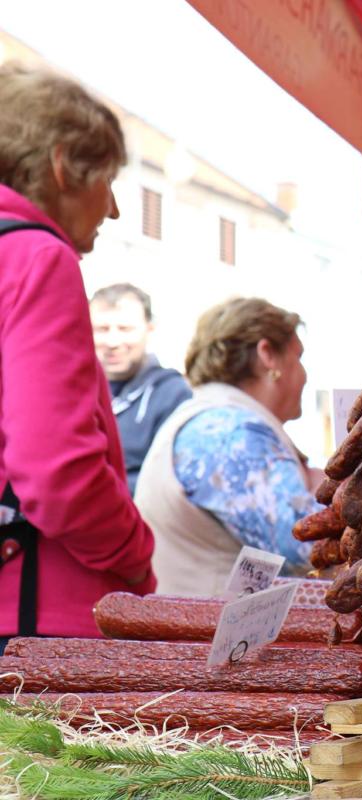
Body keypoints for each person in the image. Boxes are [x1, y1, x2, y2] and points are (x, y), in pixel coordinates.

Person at [0, 64, 156, 647]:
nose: (113, 209)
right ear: (63, 165)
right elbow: (56, 468)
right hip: (34, 621)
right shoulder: (38, 255)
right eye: (109, 181)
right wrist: (135, 553)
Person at [136, 297, 318, 596]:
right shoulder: (230, 433)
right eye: (298, 356)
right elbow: (305, 544)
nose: (304, 374)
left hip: (196, 632)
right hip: (205, 636)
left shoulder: (213, 420)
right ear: (267, 355)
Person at [90, 282, 192, 496]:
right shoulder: (75, 391)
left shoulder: (172, 394)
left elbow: (170, 477)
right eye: (102, 329)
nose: (113, 341)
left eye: (125, 329)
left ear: (149, 329)